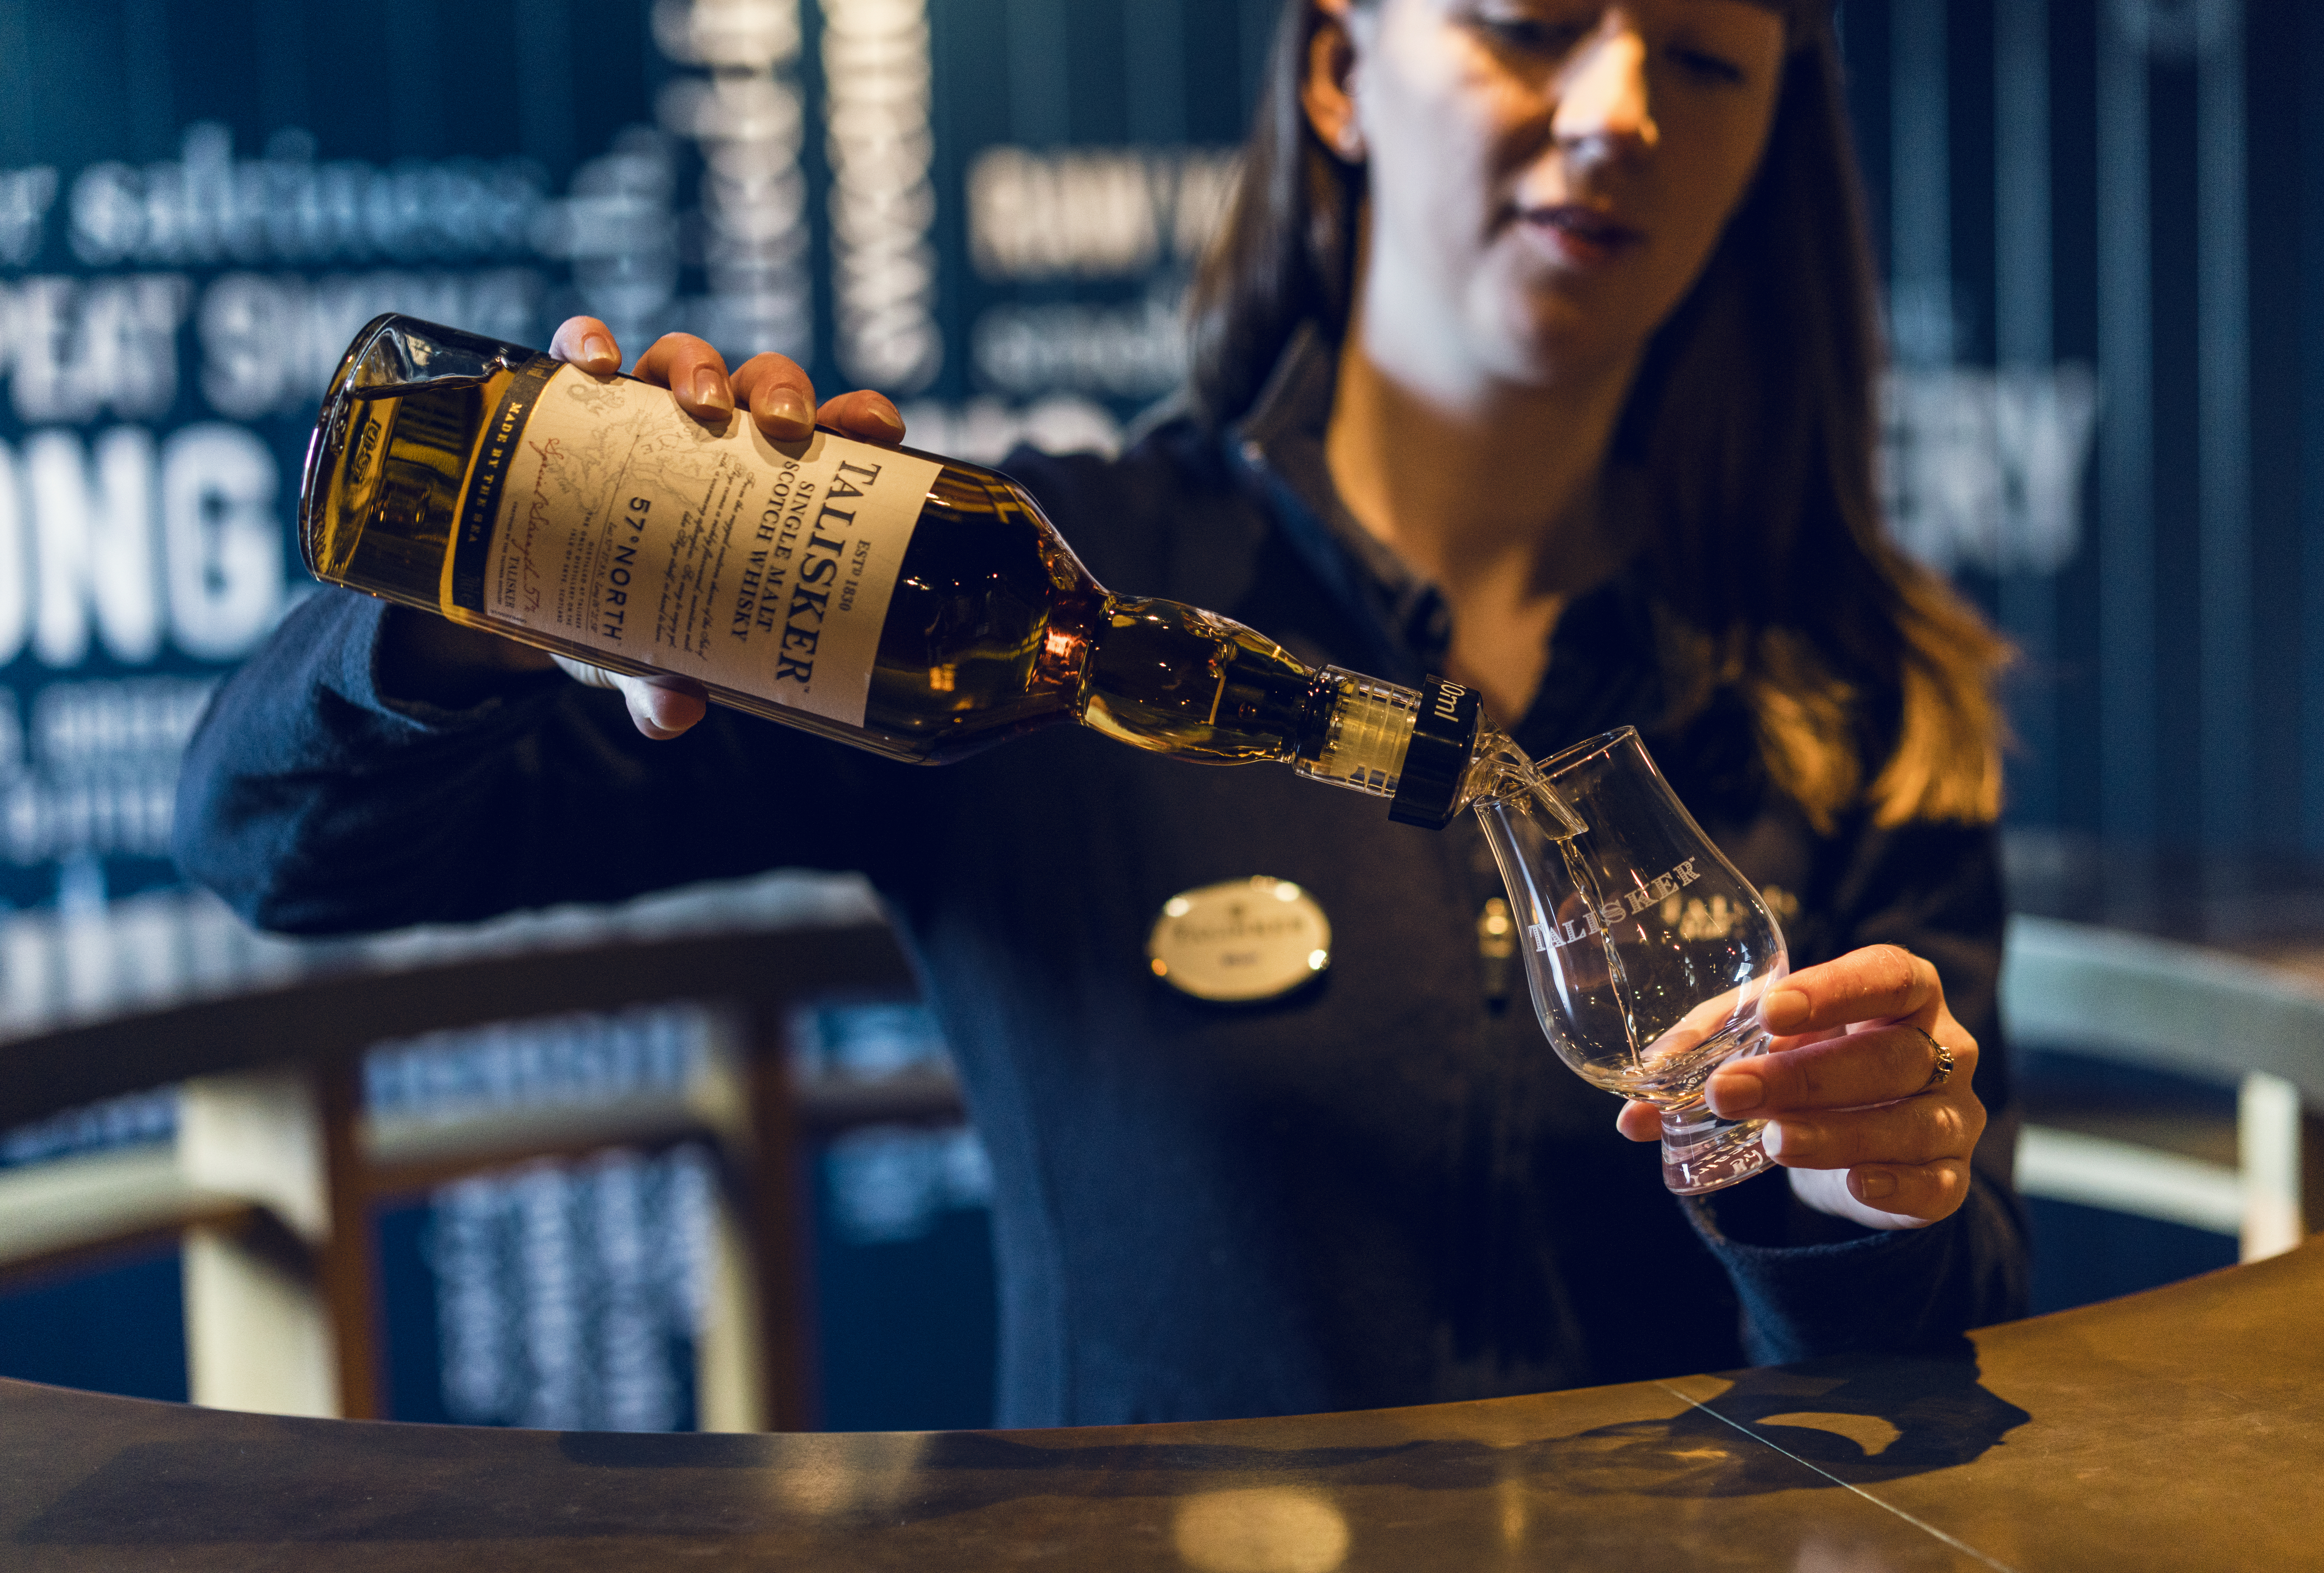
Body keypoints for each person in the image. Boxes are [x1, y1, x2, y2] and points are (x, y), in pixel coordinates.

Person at [177, 0, 2026, 1427]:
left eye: (1705, 58)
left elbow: (1952, 1331)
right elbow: (284, 854)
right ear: (1340, 71)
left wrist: (1866, 1181)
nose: (1622, 107)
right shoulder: (994, 592)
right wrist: (506, 602)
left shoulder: (1857, 689)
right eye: (1534, 25)